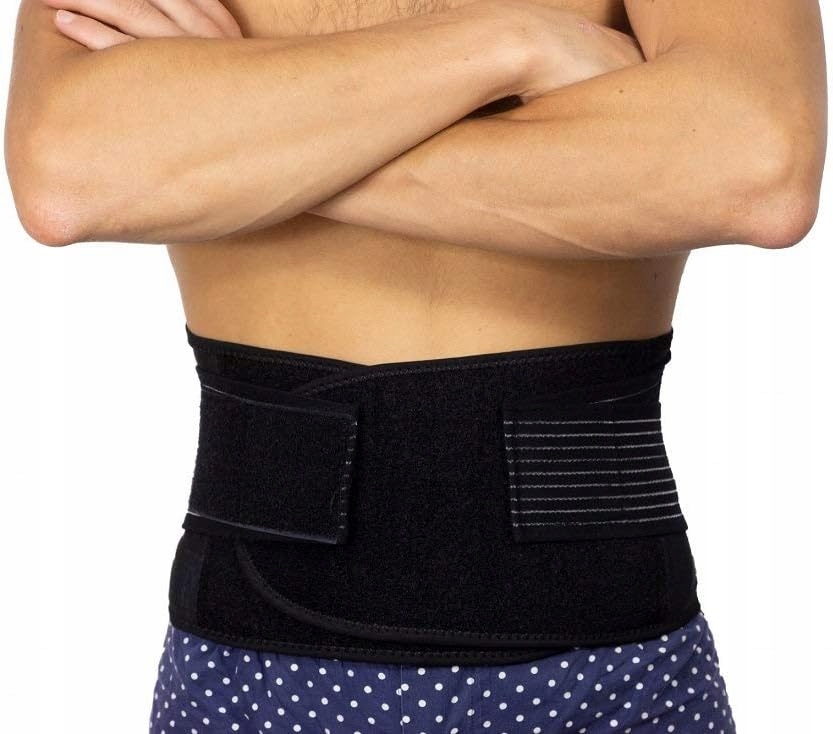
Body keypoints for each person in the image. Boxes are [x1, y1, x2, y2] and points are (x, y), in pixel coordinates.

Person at [5, 0, 826, 732]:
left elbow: (753, 172)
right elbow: (70, 176)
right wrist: (512, 40)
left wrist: (230, 132)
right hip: (254, 667)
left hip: (608, 672)